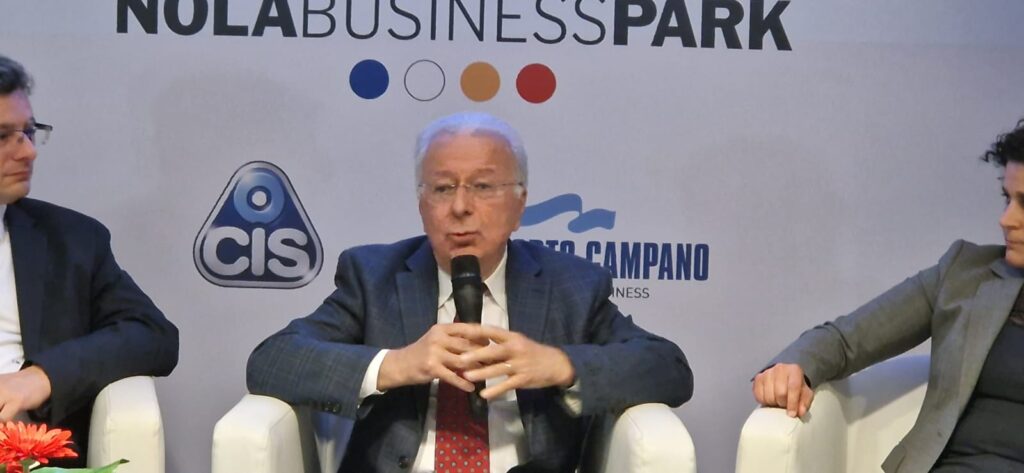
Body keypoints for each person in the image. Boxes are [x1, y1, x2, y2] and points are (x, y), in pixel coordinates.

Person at [247, 111, 693, 473]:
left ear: (519, 204)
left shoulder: (571, 286)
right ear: (422, 204)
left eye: (482, 187)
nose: (460, 207)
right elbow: (271, 361)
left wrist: (561, 364)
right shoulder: (373, 277)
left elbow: (668, 368)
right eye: (443, 188)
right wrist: (395, 364)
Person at [752, 119, 1024, 472]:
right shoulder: (964, 274)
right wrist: (793, 367)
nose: (1006, 219)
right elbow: (847, 339)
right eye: (1007, 199)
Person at [0, 55, 178, 465]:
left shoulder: (71, 240)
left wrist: (42, 376)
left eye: (29, 132)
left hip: (31, 456)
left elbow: (154, 335)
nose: (28, 152)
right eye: (3, 136)